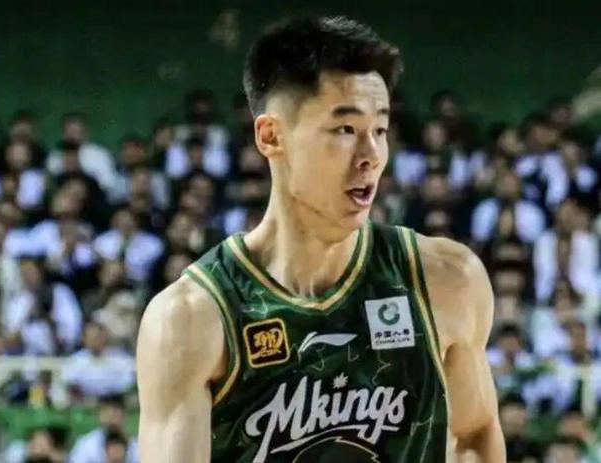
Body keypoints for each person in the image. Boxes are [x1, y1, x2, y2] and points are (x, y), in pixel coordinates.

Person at [137, 15, 504, 462]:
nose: (371, 155)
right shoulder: (192, 318)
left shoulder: (445, 279)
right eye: (345, 130)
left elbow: (473, 435)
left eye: (380, 130)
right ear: (271, 136)